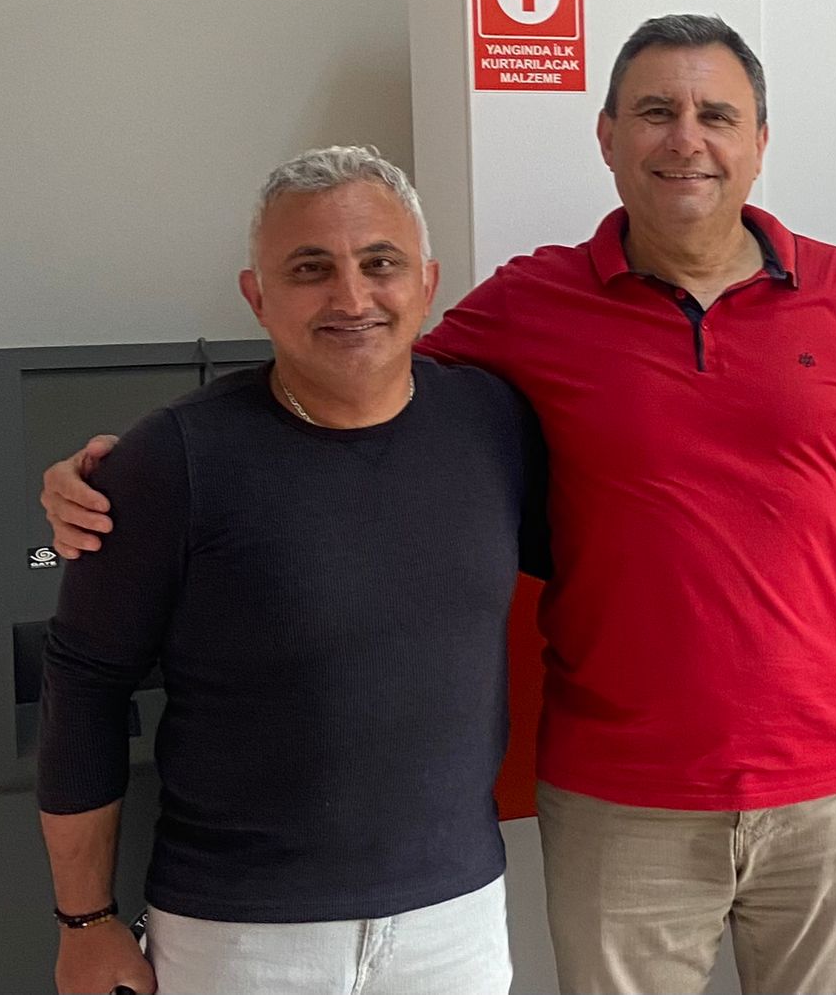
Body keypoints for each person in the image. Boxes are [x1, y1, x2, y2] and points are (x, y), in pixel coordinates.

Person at [44, 15, 836, 995]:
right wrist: (128, 469)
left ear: (760, 141)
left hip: (829, 779)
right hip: (617, 795)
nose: (686, 138)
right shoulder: (532, 303)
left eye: (716, 115)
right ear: (607, 137)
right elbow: (354, 370)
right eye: (655, 111)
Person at [37, 146, 536, 995]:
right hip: (241, 939)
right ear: (256, 295)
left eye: (380, 263)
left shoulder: (493, 424)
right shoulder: (173, 459)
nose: (352, 298)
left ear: (427, 283)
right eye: (311, 268)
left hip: (455, 924)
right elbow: (84, 684)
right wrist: (85, 924)